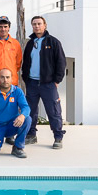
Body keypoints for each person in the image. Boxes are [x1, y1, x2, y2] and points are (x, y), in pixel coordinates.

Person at [22, 15, 68, 149]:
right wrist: (26, 78)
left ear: (45, 25)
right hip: (32, 83)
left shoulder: (53, 42)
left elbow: (61, 62)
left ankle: (58, 137)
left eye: (39, 24)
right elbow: (26, 62)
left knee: (53, 111)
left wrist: (57, 80)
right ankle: (31, 135)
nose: (37, 26)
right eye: (34, 24)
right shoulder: (30, 43)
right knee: (30, 111)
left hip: (48, 84)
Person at [0, 68, 31, 158]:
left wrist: (22, 115)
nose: (5, 80)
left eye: (8, 77)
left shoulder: (17, 91)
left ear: (12, 79)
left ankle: (18, 147)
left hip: (12, 125)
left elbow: (26, 107)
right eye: (2, 77)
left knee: (27, 119)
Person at [0, 15, 23, 89]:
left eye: (5, 26)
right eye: (0, 27)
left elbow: (18, 64)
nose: (3, 29)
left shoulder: (15, 43)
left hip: (12, 83)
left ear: (9, 28)